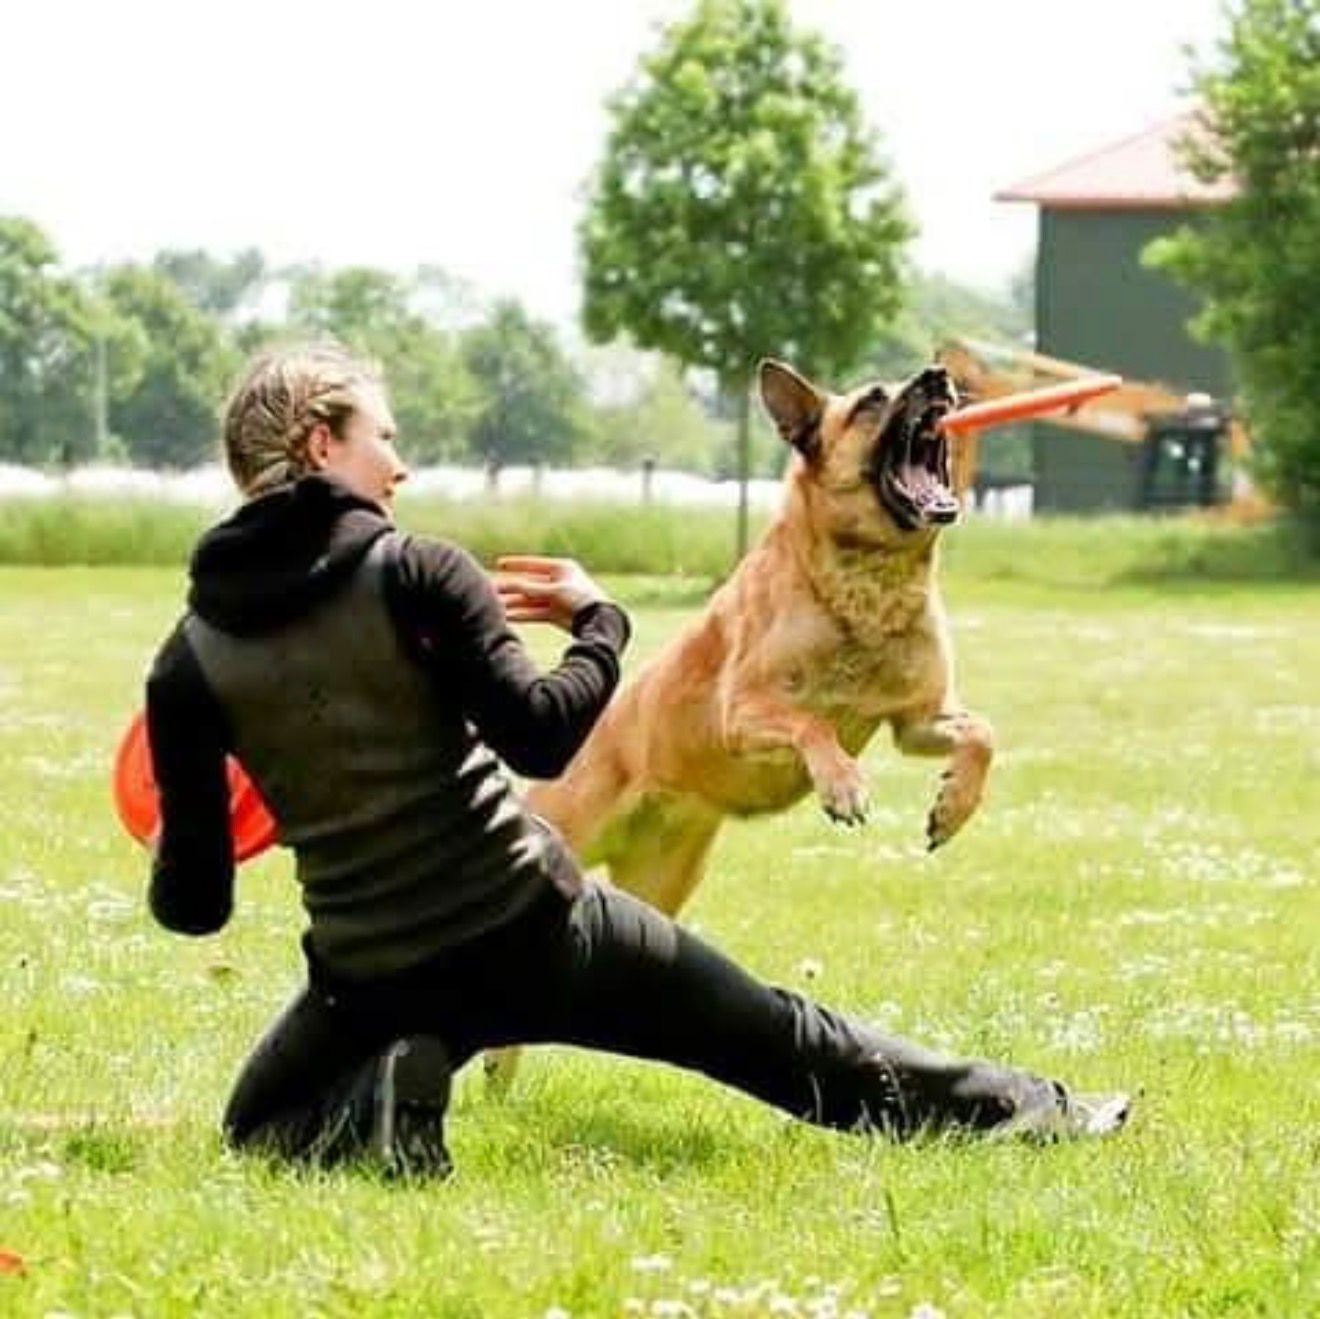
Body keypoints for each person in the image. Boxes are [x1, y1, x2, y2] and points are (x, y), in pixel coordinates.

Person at [144, 342, 1128, 1178]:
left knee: (260, 1129)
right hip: (529, 921)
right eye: (383, 438)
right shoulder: (419, 569)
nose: (397, 466)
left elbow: (195, 906)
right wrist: (598, 624)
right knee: (780, 1038)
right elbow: (542, 735)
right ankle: (1036, 1109)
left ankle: (404, 1071)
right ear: (323, 443)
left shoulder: (188, 659)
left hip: (370, 966)